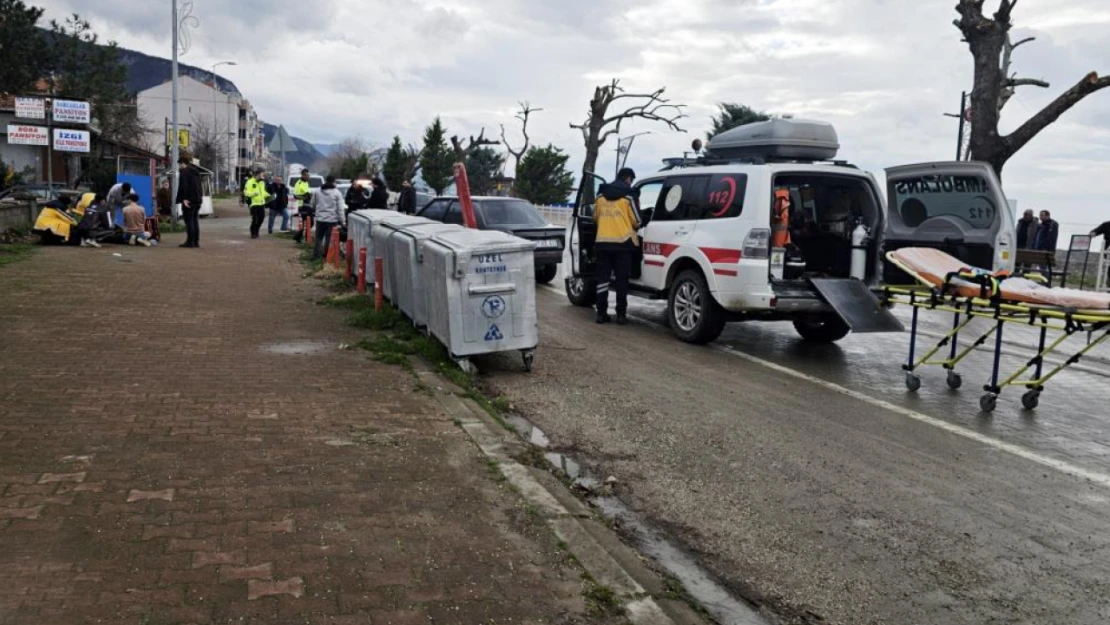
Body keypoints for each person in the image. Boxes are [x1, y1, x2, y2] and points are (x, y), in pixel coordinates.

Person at [592, 167, 642, 325]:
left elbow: (595, 218)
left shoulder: (600, 196)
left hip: (602, 244)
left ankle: (601, 314)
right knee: (622, 281)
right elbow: (637, 221)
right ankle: (621, 315)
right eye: (631, 180)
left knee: (603, 280)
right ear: (628, 179)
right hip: (622, 245)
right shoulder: (628, 197)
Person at [311, 175, 346, 259]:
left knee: (318, 237)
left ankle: (316, 255)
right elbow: (340, 209)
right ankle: (326, 255)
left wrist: (317, 211)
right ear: (334, 182)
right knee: (328, 238)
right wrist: (343, 221)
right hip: (331, 219)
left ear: (326, 181)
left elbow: (313, 203)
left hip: (320, 218)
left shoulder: (317, 191)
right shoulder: (337, 193)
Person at [176, 156, 203, 248]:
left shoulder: (184, 172)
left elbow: (184, 186)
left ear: (183, 163)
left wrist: (184, 198)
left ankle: (190, 241)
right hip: (197, 200)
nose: (179, 166)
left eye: (179, 164)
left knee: (189, 221)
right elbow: (199, 187)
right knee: (195, 220)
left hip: (189, 200)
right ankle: (196, 241)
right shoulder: (196, 172)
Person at [244, 166, 270, 239]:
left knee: (261, 218)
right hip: (254, 204)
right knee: (255, 219)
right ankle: (253, 232)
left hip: (261, 203)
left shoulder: (262, 182)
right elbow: (246, 192)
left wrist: (268, 195)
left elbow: (263, 192)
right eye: (261, 174)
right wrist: (254, 193)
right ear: (257, 174)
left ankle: (257, 230)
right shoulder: (249, 182)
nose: (262, 176)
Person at [292, 170, 314, 243]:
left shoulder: (306, 182)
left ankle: (301, 236)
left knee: (310, 223)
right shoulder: (299, 183)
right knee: (306, 223)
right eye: (307, 175)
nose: (309, 177)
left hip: (308, 205)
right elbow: (295, 196)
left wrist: (309, 195)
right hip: (302, 206)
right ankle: (301, 237)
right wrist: (305, 196)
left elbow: (308, 192)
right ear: (303, 175)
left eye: (308, 175)